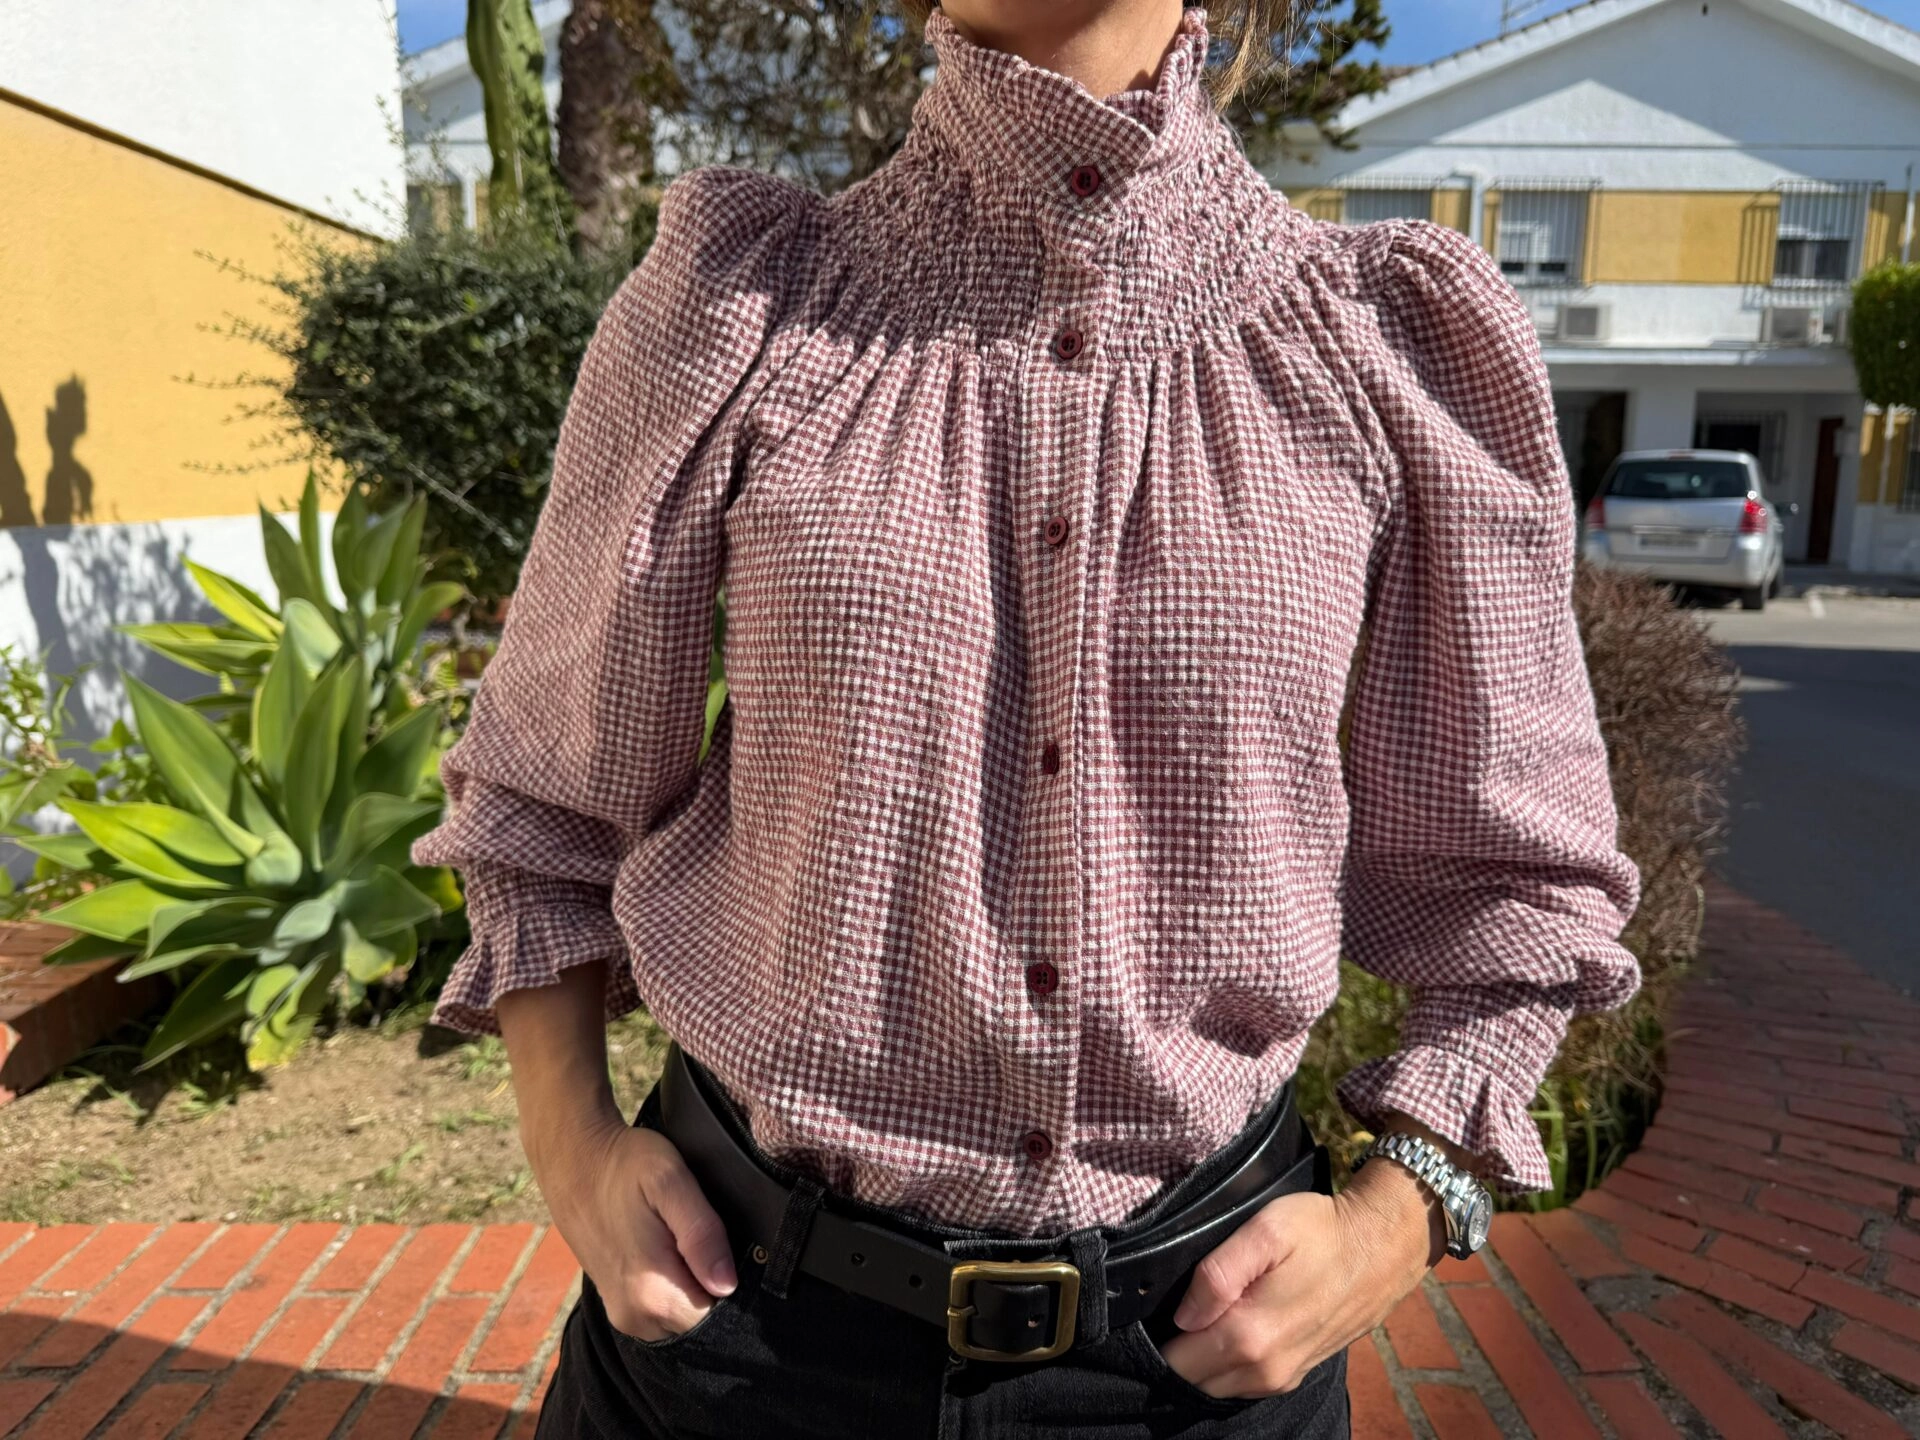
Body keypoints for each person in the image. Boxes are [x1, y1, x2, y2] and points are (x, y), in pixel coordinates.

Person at [411, 1, 1643, 1434]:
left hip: (1199, 1360)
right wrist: (571, 1147)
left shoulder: (1385, 344)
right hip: (740, 1338)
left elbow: (1521, 884)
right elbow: (544, 797)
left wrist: (1400, 1215)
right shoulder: (742, 305)